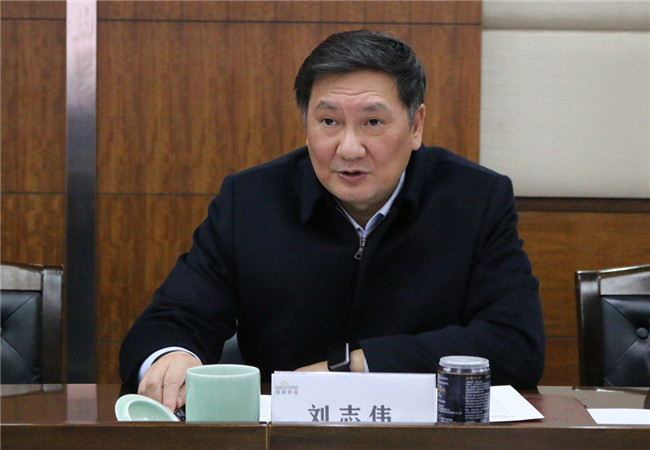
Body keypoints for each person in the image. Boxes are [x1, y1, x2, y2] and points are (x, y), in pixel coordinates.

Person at [120, 29, 545, 413]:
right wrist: (171, 356)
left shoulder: (475, 199)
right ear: (306, 125)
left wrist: (355, 367)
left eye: (373, 122)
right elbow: (172, 319)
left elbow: (515, 343)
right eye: (329, 122)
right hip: (285, 438)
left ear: (415, 126)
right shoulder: (250, 201)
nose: (349, 148)